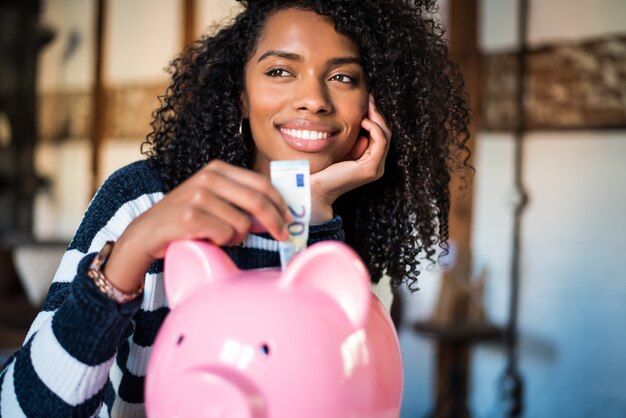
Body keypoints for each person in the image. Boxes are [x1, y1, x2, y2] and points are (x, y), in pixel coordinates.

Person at [0, 0, 470, 416]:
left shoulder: (352, 229)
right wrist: (136, 245)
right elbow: (20, 408)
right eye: (280, 71)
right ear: (241, 96)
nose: (313, 100)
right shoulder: (146, 196)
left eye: (342, 77)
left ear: (373, 104)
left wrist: (316, 208)